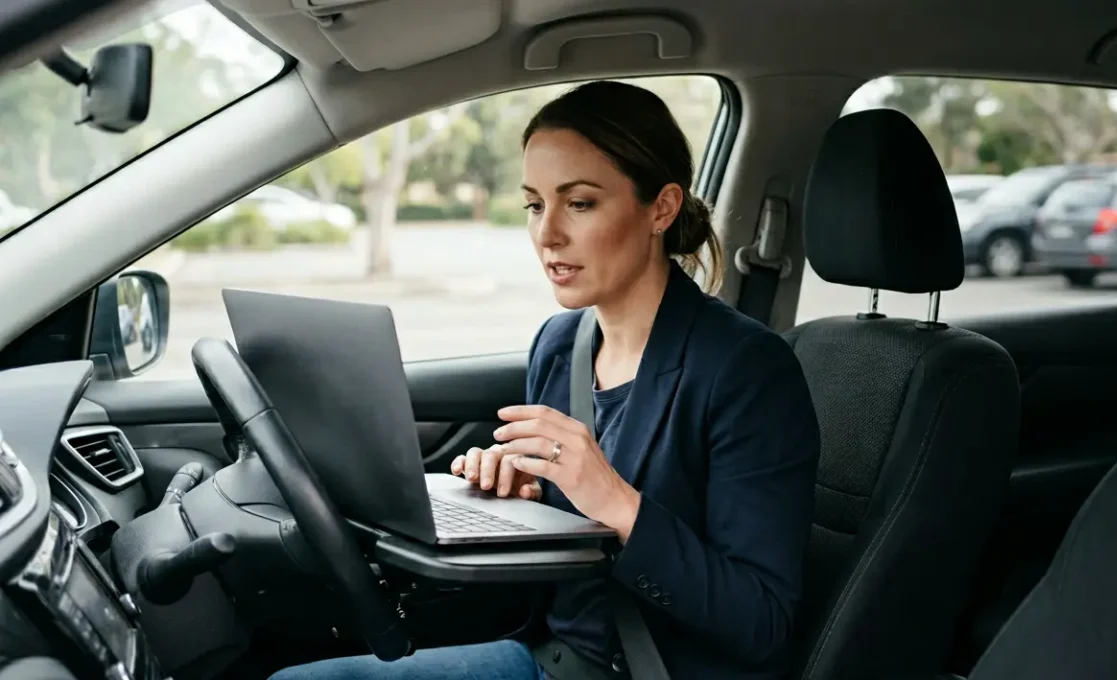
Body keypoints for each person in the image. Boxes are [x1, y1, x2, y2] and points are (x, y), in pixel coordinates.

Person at [270, 80, 820, 680]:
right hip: (549, 657)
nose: (546, 233)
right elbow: (567, 549)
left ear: (660, 207)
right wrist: (516, 492)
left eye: (579, 203)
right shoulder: (559, 345)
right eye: (535, 204)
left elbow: (762, 622)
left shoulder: (747, 370)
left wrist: (615, 501)